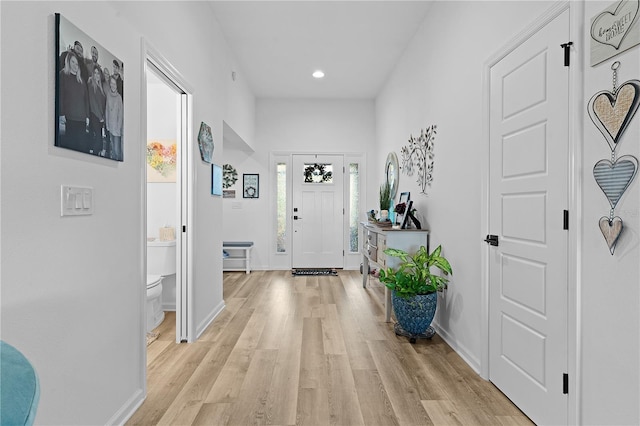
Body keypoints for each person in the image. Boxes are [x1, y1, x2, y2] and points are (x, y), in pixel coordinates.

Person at [58, 51, 90, 153]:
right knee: (71, 147)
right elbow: (61, 95)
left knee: (81, 147)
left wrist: (87, 116)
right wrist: (61, 113)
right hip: (70, 118)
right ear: (68, 62)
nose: (75, 65)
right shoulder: (63, 75)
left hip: (82, 119)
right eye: (73, 62)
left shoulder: (81, 80)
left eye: (77, 63)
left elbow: (86, 100)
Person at [87, 65, 106, 155]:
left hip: (101, 117)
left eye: (98, 73)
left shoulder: (100, 86)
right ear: (93, 74)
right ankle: (94, 155)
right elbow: (93, 103)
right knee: (98, 137)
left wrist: (103, 117)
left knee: (100, 138)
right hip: (95, 115)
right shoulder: (91, 84)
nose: (96, 75)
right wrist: (100, 117)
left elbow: (102, 103)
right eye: (95, 73)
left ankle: (98, 154)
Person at [105, 75, 123, 161]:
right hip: (110, 127)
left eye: (114, 84)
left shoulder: (119, 98)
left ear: (116, 85)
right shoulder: (108, 94)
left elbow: (120, 115)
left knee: (117, 150)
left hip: (116, 129)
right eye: (111, 83)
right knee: (112, 148)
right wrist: (107, 124)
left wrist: (118, 128)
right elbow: (107, 110)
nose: (112, 85)